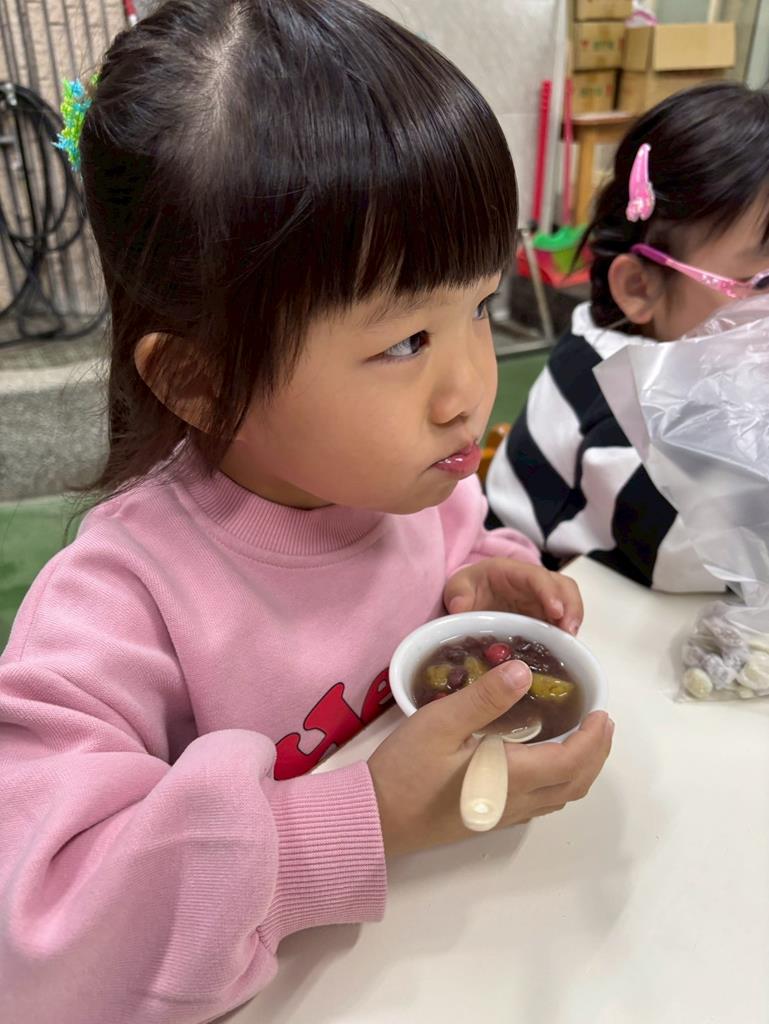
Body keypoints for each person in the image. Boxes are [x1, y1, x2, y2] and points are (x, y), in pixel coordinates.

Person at [0, 2, 613, 1021]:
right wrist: (357, 822)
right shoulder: (119, 602)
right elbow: (36, 942)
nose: (469, 388)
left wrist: (485, 572)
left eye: (477, 304)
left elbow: (460, 539)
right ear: (200, 382)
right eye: (403, 341)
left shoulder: (412, 486)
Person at [487, 83, 769, 592]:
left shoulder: (686, 351)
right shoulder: (618, 390)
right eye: (761, 283)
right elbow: (694, 555)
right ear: (640, 287)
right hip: (531, 593)